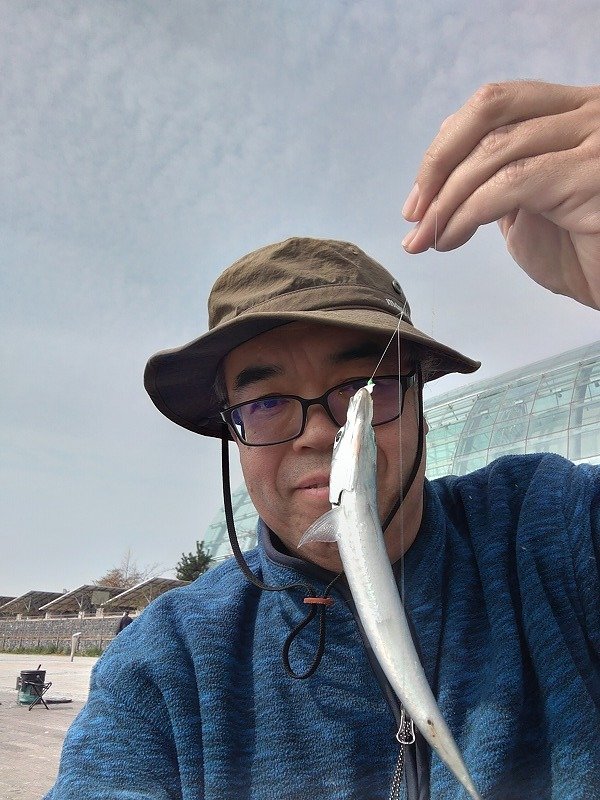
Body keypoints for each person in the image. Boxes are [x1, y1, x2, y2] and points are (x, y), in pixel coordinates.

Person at [46, 80, 600, 799]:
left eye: (364, 387)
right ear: (231, 430)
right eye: (267, 401)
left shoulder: (554, 537)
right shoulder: (165, 672)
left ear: (420, 399)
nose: (323, 431)